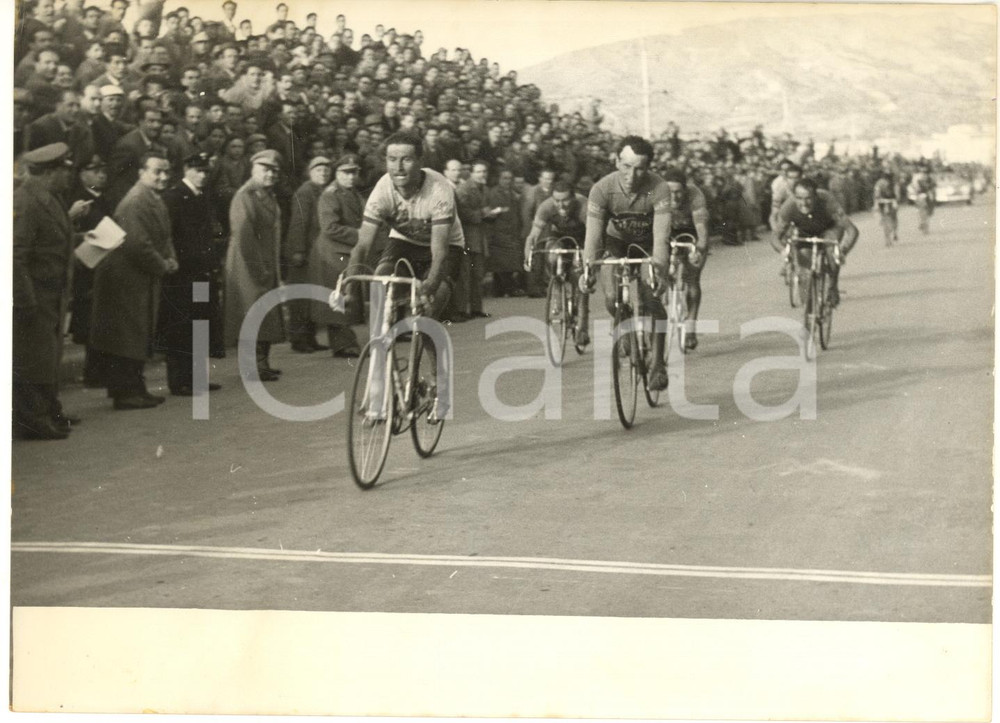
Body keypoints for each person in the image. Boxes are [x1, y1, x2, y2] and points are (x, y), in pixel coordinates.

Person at [581, 135, 671, 391]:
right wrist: (588, 268)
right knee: (611, 298)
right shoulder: (601, 189)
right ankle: (625, 326)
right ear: (616, 161)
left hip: (648, 243)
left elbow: (662, 237)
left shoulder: (660, 187)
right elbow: (593, 237)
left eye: (640, 168)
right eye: (626, 166)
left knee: (650, 298)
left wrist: (660, 271)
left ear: (649, 167)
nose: (632, 175)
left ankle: (658, 364)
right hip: (615, 242)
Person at [13, 143, 90, 439]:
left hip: (52, 294)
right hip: (33, 296)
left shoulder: (49, 197)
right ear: (49, 172)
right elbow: (15, 255)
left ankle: (48, 410)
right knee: (32, 358)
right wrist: (24, 299)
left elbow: (53, 238)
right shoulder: (25, 200)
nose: (69, 175)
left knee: (46, 356)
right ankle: (33, 419)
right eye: (64, 169)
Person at [89, 152, 178, 410]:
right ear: (141, 173)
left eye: (166, 171)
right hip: (126, 278)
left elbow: (163, 236)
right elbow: (137, 245)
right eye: (156, 171)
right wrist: (163, 264)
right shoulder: (136, 201)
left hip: (139, 276)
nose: (162, 176)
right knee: (127, 335)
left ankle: (134, 387)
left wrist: (170, 258)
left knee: (135, 333)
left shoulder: (152, 199)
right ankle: (126, 392)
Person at [348, 130, 464, 321]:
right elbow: (362, 247)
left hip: (445, 246)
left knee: (427, 312)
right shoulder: (382, 190)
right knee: (381, 279)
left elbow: (440, 253)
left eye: (406, 160)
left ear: (420, 161)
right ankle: (382, 339)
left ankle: (429, 340)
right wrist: (349, 291)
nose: (398, 168)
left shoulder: (439, 189)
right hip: (405, 241)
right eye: (392, 159)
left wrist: (428, 289)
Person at [160, 152, 224, 396]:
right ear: (186, 169)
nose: (202, 175)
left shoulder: (199, 196)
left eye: (206, 171)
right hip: (183, 273)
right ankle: (179, 380)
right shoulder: (174, 197)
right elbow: (171, 236)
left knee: (199, 322)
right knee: (181, 324)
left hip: (200, 272)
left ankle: (196, 378)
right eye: (197, 170)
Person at [224, 149, 286, 381]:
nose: (270, 174)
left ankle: (261, 363)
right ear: (253, 170)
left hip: (264, 263)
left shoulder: (266, 194)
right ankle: (251, 367)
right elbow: (243, 236)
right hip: (248, 264)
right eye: (265, 169)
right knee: (251, 313)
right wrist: (258, 268)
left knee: (264, 314)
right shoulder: (246, 195)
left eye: (274, 171)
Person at [771, 178, 859, 308]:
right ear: (794, 197)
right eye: (799, 198)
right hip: (804, 231)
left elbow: (852, 230)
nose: (804, 203)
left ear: (816, 197)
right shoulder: (788, 207)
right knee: (803, 260)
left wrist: (842, 251)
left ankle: (833, 287)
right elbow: (775, 237)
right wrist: (783, 251)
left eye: (808, 198)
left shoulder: (828, 202)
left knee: (831, 252)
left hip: (829, 228)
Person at [309, 153, 365, 358]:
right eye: (346, 173)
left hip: (345, 251)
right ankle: (344, 344)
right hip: (333, 252)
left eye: (354, 173)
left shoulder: (353, 193)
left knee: (343, 297)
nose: (351, 177)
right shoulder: (331, 194)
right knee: (339, 297)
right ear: (337, 173)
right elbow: (330, 227)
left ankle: (344, 343)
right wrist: (360, 235)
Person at [524, 180, 589, 345]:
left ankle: (583, 327)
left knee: (581, 279)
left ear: (573, 198)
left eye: (565, 200)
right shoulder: (546, 206)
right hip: (558, 237)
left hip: (582, 240)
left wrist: (587, 255)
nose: (561, 205)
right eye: (557, 200)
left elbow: (593, 234)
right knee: (552, 256)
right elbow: (533, 236)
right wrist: (528, 256)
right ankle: (557, 290)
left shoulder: (583, 206)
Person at [68, 153, 114, 389]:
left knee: (100, 319)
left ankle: (99, 369)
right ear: (82, 174)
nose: (101, 175)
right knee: (90, 320)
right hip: (87, 268)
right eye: (95, 171)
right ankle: (94, 372)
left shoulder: (103, 199)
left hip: (102, 265)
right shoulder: (79, 202)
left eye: (103, 171)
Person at [284, 155, 333, 353]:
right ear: (310, 173)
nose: (323, 173)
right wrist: (297, 250)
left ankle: (309, 337)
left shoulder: (323, 191)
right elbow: (298, 223)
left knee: (310, 296)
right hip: (304, 252)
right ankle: (298, 338)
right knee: (300, 297)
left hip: (316, 252)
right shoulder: (305, 192)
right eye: (319, 170)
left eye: (326, 170)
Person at [661, 167, 710, 351]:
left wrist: (698, 250)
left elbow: (702, 231)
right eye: (670, 193)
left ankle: (690, 326)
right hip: (668, 232)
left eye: (678, 192)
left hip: (692, 233)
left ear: (685, 190)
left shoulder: (695, 196)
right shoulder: (657, 196)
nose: (674, 198)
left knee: (692, 278)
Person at [450, 160, 499, 320]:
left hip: (478, 237)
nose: (482, 174)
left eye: (484, 171)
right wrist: (484, 213)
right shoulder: (464, 189)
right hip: (466, 237)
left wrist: (489, 215)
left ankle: (476, 308)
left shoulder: (483, 188)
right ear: (471, 173)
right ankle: (462, 310)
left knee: (477, 274)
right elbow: (463, 213)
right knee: (465, 275)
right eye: (478, 172)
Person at [486, 168, 523, 297]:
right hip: (499, 230)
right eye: (504, 178)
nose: (507, 181)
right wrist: (500, 210)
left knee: (507, 261)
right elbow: (491, 211)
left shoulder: (513, 193)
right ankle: (506, 288)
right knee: (502, 262)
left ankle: (500, 289)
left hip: (511, 231)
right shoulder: (494, 193)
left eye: (509, 178)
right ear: (499, 179)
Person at [521, 167, 556, 296]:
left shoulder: (554, 191)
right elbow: (526, 213)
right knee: (535, 260)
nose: (549, 181)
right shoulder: (533, 192)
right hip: (536, 231)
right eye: (546, 178)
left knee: (546, 261)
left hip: (550, 232)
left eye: (551, 179)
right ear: (540, 179)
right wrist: (530, 231)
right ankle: (533, 289)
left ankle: (543, 286)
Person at [873, 170, 899, 245]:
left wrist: (876, 203)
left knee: (884, 219)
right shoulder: (893, 183)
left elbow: (876, 194)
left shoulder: (878, 183)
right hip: (891, 202)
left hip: (882, 203)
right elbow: (897, 194)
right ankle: (894, 232)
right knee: (894, 218)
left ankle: (887, 238)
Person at [908, 167, 936, 235]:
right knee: (921, 211)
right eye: (923, 173)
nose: (924, 175)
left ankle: (923, 224)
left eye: (925, 173)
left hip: (928, 196)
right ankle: (922, 223)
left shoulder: (930, 180)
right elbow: (913, 188)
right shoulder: (917, 180)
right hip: (920, 196)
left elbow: (933, 188)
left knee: (928, 213)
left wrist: (931, 194)